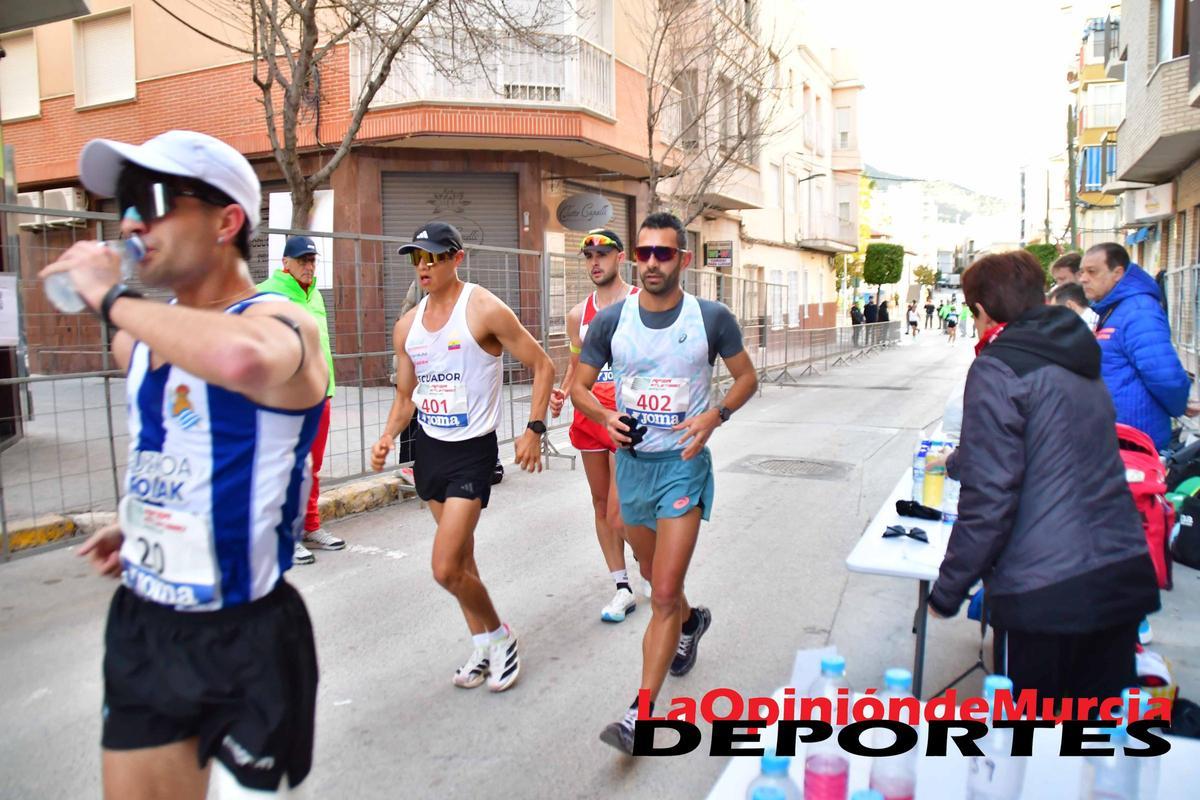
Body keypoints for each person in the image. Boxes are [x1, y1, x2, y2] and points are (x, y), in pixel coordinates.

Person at [45, 130, 329, 797]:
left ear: (227, 220)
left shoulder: (282, 322)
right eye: (125, 202)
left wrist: (112, 296)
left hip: (245, 636)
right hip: (146, 624)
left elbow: (241, 361)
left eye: (154, 198)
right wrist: (144, 524)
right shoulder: (137, 341)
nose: (132, 221)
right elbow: (176, 445)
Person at [928, 250, 1159, 706]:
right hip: (1117, 574)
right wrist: (960, 460)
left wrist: (948, 589)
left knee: (1034, 751)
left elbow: (991, 496)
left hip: (1046, 592)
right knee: (1095, 745)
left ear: (980, 310)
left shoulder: (999, 366)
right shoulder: (1074, 353)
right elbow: (1051, 445)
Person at [571, 212, 758, 754]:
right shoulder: (610, 322)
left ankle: (641, 715)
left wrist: (715, 415)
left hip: (682, 465)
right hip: (632, 468)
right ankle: (692, 622)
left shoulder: (711, 318)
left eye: (664, 253)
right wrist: (605, 418)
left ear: (684, 259)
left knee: (663, 593)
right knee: (656, 579)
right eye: (645, 253)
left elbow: (747, 377)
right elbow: (581, 385)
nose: (653, 262)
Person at [370, 220, 555, 693]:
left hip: (472, 451)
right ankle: (482, 644)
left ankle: (501, 636)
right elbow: (405, 396)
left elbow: (542, 365)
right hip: (429, 450)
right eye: (417, 258)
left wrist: (534, 427)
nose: (424, 267)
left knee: (445, 567)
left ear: (457, 257)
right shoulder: (407, 327)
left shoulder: (484, 308)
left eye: (433, 257)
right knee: (463, 563)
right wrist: (388, 436)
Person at [548, 228, 647, 622]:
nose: (595, 262)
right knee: (601, 504)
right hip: (589, 414)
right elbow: (578, 364)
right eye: (588, 255)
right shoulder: (578, 315)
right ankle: (622, 587)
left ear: (619, 257)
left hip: (627, 416)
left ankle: (647, 557)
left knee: (623, 513)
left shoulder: (642, 302)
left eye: (602, 254)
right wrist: (563, 389)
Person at [258, 235, 345, 564]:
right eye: (302, 260)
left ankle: (310, 526)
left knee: (313, 467)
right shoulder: (267, 293)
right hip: (286, 398)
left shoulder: (315, 295)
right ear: (285, 263)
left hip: (321, 394)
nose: (309, 266)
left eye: (312, 260)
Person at [1080, 242, 1190, 450]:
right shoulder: (1115, 310)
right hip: (1115, 436)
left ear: (1118, 273)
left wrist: (1179, 406)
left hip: (1134, 440)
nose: (1084, 279)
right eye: (1082, 272)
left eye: (1092, 272)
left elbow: (1165, 375)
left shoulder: (1139, 311)